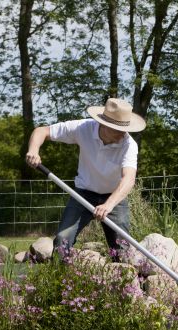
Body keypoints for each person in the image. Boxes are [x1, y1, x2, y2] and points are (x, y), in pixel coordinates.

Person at [25, 98, 146, 257]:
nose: (122, 134)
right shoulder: (83, 128)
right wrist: (33, 150)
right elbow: (42, 131)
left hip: (113, 197)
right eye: (118, 130)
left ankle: (123, 279)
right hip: (83, 193)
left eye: (124, 129)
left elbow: (129, 179)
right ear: (104, 124)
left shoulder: (129, 145)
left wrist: (108, 205)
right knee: (62, 240)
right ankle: (62, 277)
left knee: (122, 250)